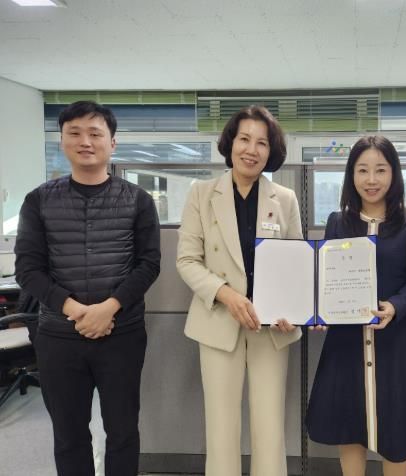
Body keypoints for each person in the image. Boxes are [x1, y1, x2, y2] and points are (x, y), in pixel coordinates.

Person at [14, 100, 161, 476]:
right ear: (62, 140)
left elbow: (148, 265)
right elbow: (28, 270)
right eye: (74, 133)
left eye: (95, 133)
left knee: (123, 432)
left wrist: (108, 308)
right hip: (59, 337)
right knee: (69, 435)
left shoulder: (138, 200)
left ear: (112, 143)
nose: (85, 141)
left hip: (122, 336)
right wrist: (78, 311)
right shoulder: (38, 200)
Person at [306, 136, 406, 476]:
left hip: (397, 341)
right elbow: (327, 277)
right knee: (349, 423)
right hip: (346, 342)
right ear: (351, 175)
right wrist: (320, 312)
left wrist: (395, 306)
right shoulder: (338, 222)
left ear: (394, 173)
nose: (371, 179)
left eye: (381, 170)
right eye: (362, 170)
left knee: (398, 427)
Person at [176, 105, 302, 476]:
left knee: (270, 428)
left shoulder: (285, 198)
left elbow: (296, 264)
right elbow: (187, 260)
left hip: (271, 328)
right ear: (230, 143)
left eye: (262, 142)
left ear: (271, 151)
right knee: (220, 428)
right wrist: (227, 294)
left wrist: (293, 311)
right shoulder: (201, 194)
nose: (251, 149)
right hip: (219, 322)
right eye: (244, 139)